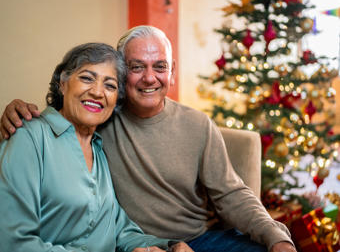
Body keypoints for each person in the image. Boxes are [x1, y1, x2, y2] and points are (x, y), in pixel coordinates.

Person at [0, 26, 297, 252]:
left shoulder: (195, 124)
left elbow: (231, 194)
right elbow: (66, 117)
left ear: (172, 72)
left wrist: (275, 236)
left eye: (160, 67)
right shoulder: (99, 123)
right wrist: (18, 112)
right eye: (136, 67)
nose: (149, 78)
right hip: (137, 245)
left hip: (194, 240)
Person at [0, 42, 193, 252]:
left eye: (110, 85)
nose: (97, 92)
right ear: (62, 84)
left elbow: (119, 231)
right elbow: (12, 242)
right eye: (86, 78)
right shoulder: (29, 137)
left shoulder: (99, 149)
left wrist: (168, 246)